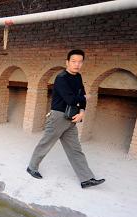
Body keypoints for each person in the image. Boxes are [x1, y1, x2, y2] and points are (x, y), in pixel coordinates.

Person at [26, 49, 105, 189]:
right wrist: (83, 98)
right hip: (58, 117)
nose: (77, 64)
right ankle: (32, 167)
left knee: (75, 149)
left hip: (72, 117)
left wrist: (82, 111)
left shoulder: (78, 77)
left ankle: (86, 178)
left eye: (80, 62)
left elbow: (82, 96)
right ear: (67, 62)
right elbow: (70, 98)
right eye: (74, 61)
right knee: (46, 143)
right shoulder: (61, 78)